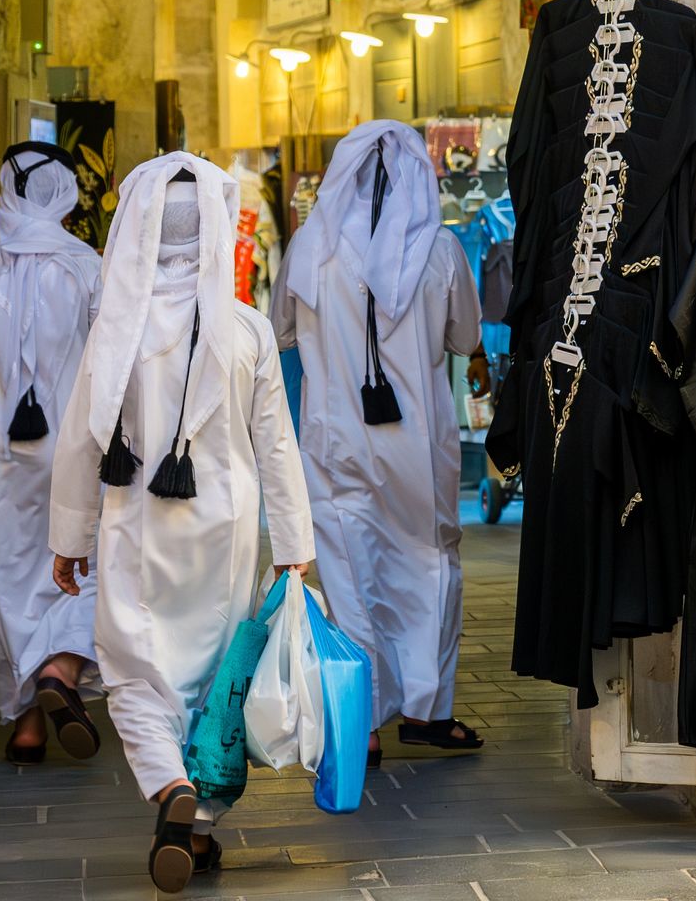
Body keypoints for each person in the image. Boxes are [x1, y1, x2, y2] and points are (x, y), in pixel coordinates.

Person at [48, 154, 313, 894]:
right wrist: (293, 546)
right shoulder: (249, 331)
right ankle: (194, 831)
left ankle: (169, 788)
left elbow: (80, 436)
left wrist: (68, 537)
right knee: (212, 679)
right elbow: (276, 442)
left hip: (135, 524)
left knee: (133, 670)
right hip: (224, 533)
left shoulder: (115, 331)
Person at [273, 120, 483, 752]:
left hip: (335, 442)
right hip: (417, 448)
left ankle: (360, 720)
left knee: (350, 570)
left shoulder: (310, 249)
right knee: (427, 566)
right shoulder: (440, 251)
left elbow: (279, 330)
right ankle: (426, 711)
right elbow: (466, 339)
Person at [0, 141, 105, 764]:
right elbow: (111, 372)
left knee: (12, 580)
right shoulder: (90, 269)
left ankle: (27, 723)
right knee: (82, 566)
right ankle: (61, 669)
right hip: (76, 451)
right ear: (64, 193)